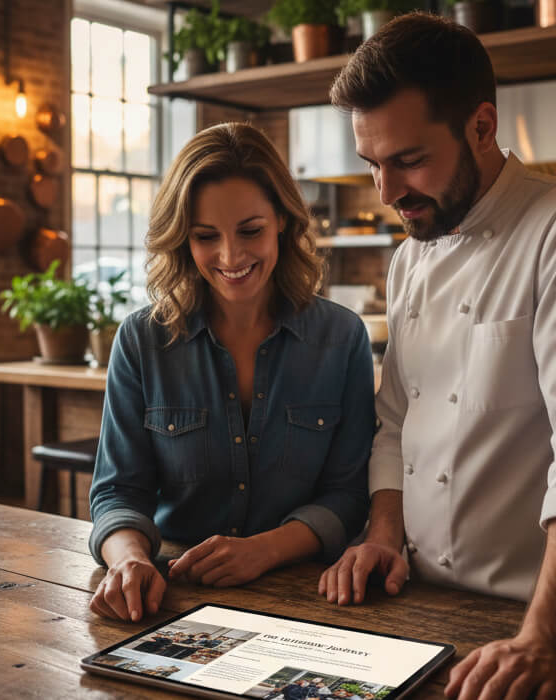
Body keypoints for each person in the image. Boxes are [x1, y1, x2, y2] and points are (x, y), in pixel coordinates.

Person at [317, 14, 556, 700]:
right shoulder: (410, 259)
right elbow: (396, 420)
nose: (387, 193)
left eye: (408, 160)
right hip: (424, 606)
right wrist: (384, 531)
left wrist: (546, 640)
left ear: (481, 126)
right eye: (372, 165)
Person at [87, 122, 374, 622]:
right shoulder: (141, 340)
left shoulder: (343, 338)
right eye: (205, 237)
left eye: (250, 230)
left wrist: (265, 550)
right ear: (182, 238)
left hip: (311, 598)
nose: (230, 256)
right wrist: (129, 559)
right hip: (171, 595)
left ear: (282, 219)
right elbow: (118, 491)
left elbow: (347, 494)